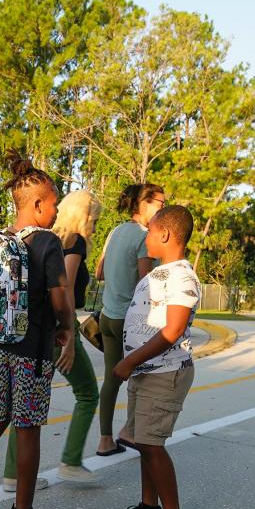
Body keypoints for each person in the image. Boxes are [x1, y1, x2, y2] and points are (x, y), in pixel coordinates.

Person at [0, 151, 74, 509]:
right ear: (38, 205)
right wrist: (66, 330)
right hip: (32, 351)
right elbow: (60, 298)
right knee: (27, 430)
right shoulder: (47, 242)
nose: (57, 211)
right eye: (55, 204)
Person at [108, 205, 201, 509]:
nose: (145, 238)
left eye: (149, 231)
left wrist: (129, 360)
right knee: (142, 441)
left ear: (164, 234)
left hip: (165, 372)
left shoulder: (181, 277)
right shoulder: (157, 275)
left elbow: (173, 330)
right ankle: (149, 508)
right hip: (147, 370)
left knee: (151, 443)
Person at [1, 189, 101, 486]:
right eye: (95, 218)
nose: (95, 224)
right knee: (87, 393)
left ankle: (11, 474)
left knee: (22, 403)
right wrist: (69, 339)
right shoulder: (75, 241)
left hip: (31, 328)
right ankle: (71, 461)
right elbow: (65, 286)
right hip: (58, 328)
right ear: (85, 216)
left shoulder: (45, 237)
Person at [95, 182, 164, 456]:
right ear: (143, 204)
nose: (163, 207)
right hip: (130, 320)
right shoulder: (145, 237)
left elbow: (99, 272)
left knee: (112, 379)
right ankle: (131, 432)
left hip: (107, 316)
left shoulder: (115, 231)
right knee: (142, 378)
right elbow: (147, 283)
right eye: (160, 202)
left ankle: (105, 441)